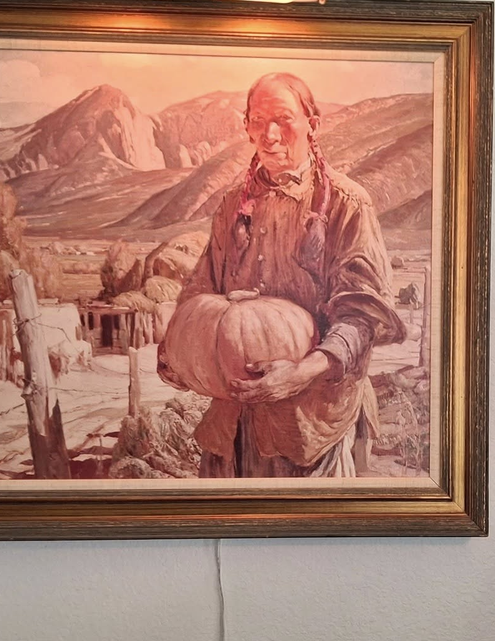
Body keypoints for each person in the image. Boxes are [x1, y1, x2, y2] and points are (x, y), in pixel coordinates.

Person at [158, 72, 406, 478]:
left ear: (313, 125)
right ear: (246, 127)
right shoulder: (232, 205)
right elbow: (201, 291)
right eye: (258, 121)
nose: (269, 135)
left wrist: (301, 373)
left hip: (313, 425)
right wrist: (178, 351)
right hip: (235, 424)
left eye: (283, 119)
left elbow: (363, 317)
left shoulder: (346, 204)